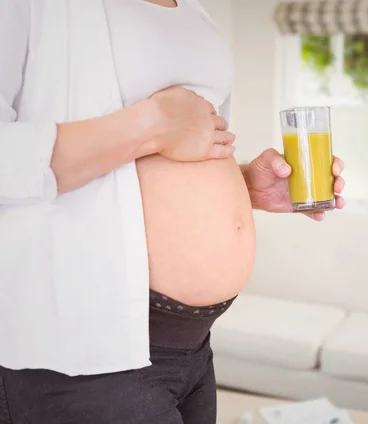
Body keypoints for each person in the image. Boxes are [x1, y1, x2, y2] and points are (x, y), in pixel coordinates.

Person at [0, 1, 345, 423]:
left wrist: (241, 185)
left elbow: (174, 156)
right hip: (87, 347)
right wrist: (151, 124)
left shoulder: (194, 9)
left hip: (193, 346)